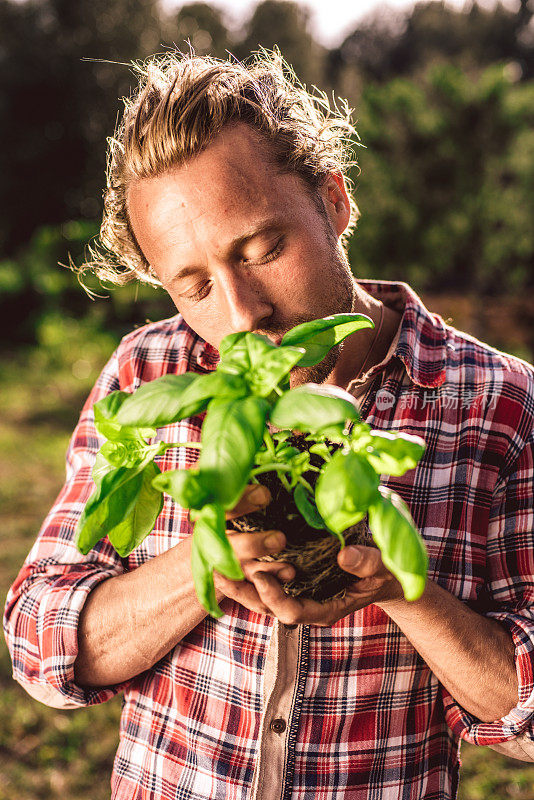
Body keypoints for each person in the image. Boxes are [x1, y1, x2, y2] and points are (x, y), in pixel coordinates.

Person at [4, 50, 534, 800]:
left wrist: (401, 588)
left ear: (334, 200)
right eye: (193, 284)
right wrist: (202, 568)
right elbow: (38, 643)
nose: (244, 315)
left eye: (263, 250)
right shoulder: (147, 375)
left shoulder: (497, 403)